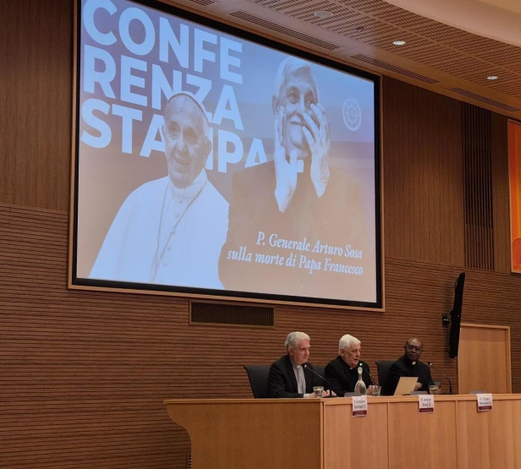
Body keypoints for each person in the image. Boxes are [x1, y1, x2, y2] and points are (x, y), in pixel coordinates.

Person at [218, 57, 367, 297]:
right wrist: (279, 200)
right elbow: (230, 272)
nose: (301, 109)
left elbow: (360, 274)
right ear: (277, 106)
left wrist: (323, 190)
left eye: (310, 101)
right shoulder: (247, 182)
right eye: (292, 97)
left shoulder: (343, 188)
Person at [90, 93, 228, 289]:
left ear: (206, 150)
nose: (180, 146)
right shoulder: (138, 200)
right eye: (173, 131)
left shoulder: (226, 218)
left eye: (190, 136)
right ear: (164, 137)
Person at [267, 331, 330, 398]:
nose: (307, 353)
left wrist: (327, 391)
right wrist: (307, 397)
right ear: (291, 351)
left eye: (308, 349)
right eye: (303, 349)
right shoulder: (279, 367)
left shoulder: (308, 367)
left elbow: (317, 388)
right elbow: (278, 394)